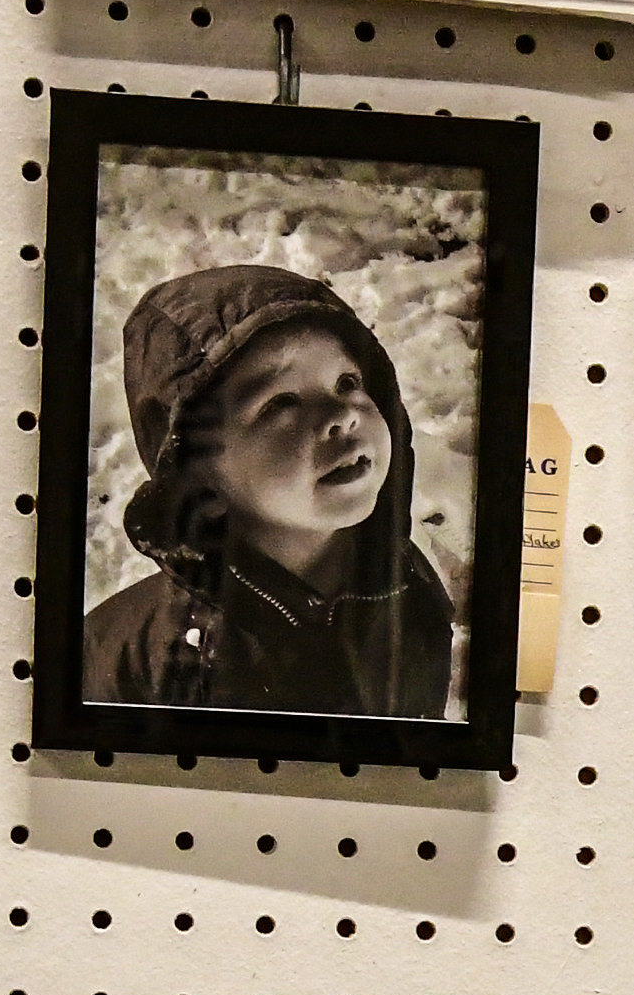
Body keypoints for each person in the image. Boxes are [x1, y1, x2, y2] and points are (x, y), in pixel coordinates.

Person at [75, 259, 456, 719]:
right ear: (199, 474)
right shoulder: (148, 663)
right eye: (282, 403)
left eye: (347, 382)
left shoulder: (406, 585)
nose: (343, 414)